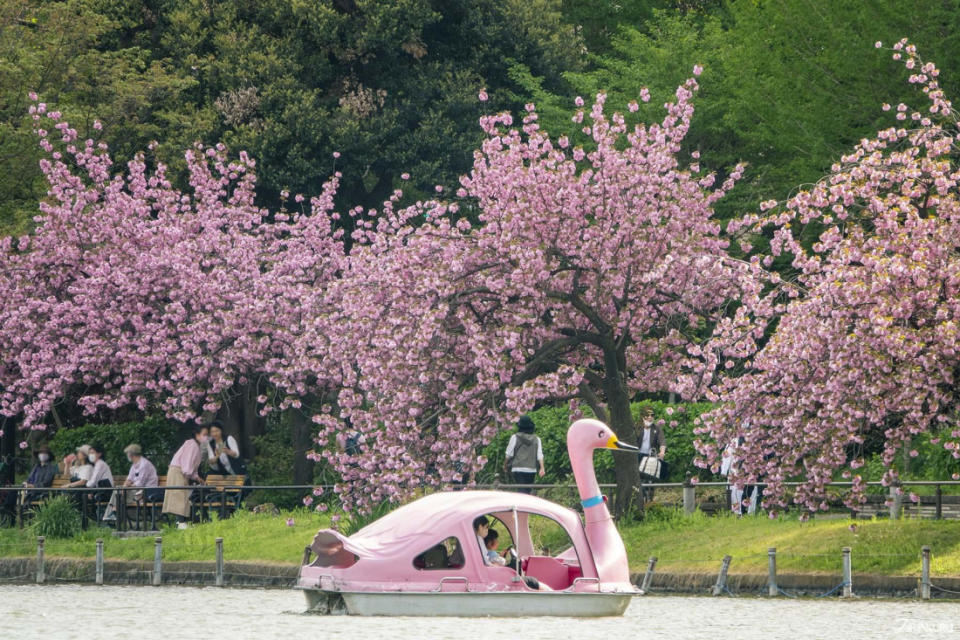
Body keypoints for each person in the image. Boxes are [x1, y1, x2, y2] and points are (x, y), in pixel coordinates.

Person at [162, 423, 209, 528]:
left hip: (179, 471)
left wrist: (198, 478)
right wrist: (193, 477)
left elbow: (191, 467)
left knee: (181, 495)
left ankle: (181, 522)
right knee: (180, 495)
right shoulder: (192, 444)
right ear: (197, 435)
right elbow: (187, 466)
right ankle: (181, 522)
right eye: (204, 434)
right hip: (179, 471)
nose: (206, 437)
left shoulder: (194, 445)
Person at [103, 444, 159, 522]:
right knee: (119, 490)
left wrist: (127, 486)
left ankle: (113, 515)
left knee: (118, 493)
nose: (127, 456)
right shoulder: (134, 465)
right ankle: (112, 514)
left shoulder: (144, 464)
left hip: (146, 492)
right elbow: (129, 479)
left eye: (127, 454)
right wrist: (125, 486)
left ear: (131, 454)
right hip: (136, 491)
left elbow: (140, 484)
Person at [503, 416, 545, 494]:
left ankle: (520, 504)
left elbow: (508, 454)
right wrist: (542, 468)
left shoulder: (515, 437)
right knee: (528, 491)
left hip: (518, 468)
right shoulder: (537, 439)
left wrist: (505, 465)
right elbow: (540, 455)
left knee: (521, 490)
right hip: (531, 468)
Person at [636, 407, 667, 501]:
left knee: (651, 477)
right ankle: (641, 498)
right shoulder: (637, 427)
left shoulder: (656, 428)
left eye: (652, 415)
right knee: (639, 478)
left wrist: (662, 452)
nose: (650, 417)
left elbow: (662, 441)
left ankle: (650, 499)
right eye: (647, 415)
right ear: (642, 417)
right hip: (638, 455)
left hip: (650, 456)